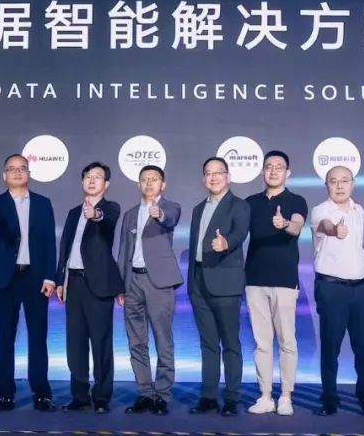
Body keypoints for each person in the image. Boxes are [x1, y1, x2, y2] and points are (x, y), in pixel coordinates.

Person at [0, 153, 58, 413]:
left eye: (22, 168)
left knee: (38, 337)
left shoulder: (43, 203)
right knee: (5, 338)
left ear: (29, 173)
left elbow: (49, 242)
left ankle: (42, 394)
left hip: (35, 278)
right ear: (4, 175)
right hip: (7, 277)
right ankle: (5, 394)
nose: (17, 172)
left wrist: (50, 276)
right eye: (11, 169)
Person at [309, 165, 364, 417]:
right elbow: (325, 226)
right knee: (331, 347)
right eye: (333, 181)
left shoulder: (360, 211)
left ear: (353, 183)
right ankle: (329, 400)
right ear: (326, 185)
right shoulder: (320, 210)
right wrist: (335, 230)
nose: (339, 186)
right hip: (331, 288)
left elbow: (363, 244)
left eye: (344, 180)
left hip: (360, 289)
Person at [244, 150, 308, 417]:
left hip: (284, 280)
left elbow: (297, 226)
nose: (273, 171)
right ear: (262, 172)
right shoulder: (250, 202)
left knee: (287, 341)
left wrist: (284, 224)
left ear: (287, 173)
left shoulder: (296, 200)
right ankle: (265, 395)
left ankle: (286, 396)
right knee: (262, 342)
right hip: (254, 280)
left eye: (278, 167)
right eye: (268, 166)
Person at [55, 162, 123, 413]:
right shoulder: (73, 212)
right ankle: (80, 395)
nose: (92, 181)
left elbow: (107, 221)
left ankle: (102, 397)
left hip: (99, 285)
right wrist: (60, 280)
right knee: (75, 343)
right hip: (73, 283)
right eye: (88, 176)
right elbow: (65, 247)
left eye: (98, 177)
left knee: (101, 342)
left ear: (106, 184)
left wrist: (95, 214)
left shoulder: (111, 208)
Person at [188, 157, 251, 416]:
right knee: (208, 344)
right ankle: (208, 397)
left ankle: (233, 397)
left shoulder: (239, 205)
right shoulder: (197, 209)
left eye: (218, 173)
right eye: (208, 173)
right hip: (198, 282)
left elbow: (240, 233)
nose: (213, 177)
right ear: (203, 178)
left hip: (225, 284)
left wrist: (226, 244)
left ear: (228, 176)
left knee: (230, 344)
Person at [116, 165, 181, 416]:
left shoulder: (170, 207)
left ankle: (162, 394)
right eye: (144, 179)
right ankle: (145, 392)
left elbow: (170, 218)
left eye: (154, 179)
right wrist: (121, 285)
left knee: (163, 340)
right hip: (133, 282)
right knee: (136, 341)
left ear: (162, 185)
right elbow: (124, 250)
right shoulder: (130, 214)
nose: (149, 183)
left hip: (159, 283)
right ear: (138, 184)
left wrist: (159, 213)